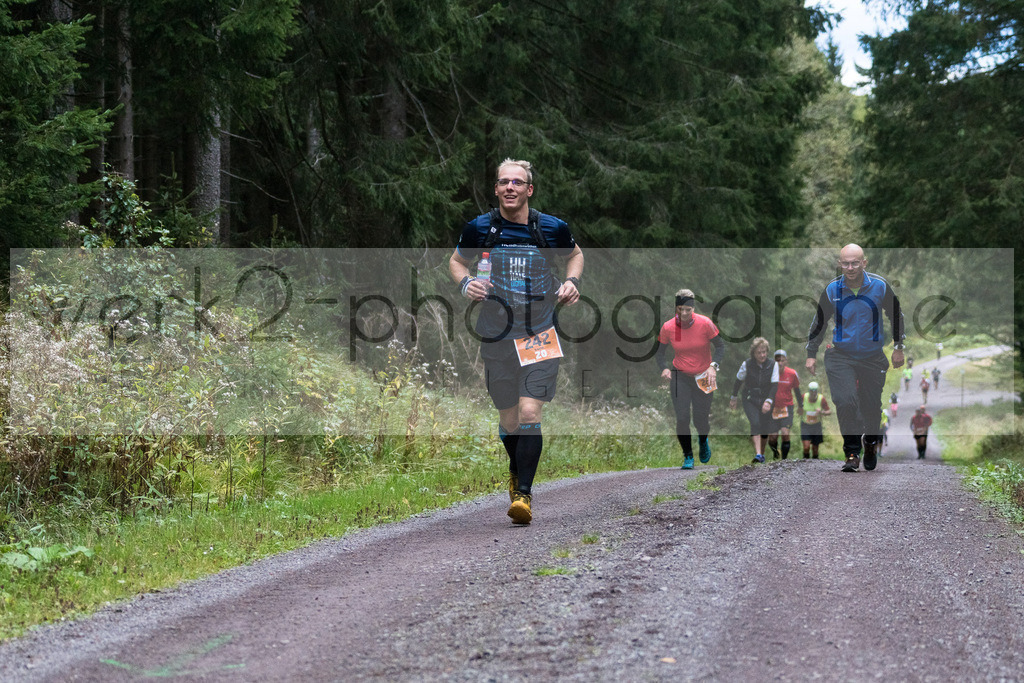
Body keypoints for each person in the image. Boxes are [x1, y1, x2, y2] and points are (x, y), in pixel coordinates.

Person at [449, 158, 583, 525]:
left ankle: (523, 494)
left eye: (517, 182)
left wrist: (572, 282)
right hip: (495, 335)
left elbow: (575, 255)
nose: (510, 187)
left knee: (529, 413)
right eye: (503, 182)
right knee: (509, 420)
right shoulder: (480, 228)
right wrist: (465, 283)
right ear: (496, 189)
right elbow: (457, 262)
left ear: (529, 189)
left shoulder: (551, 228)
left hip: (540, 331)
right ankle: (516, 470)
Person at [806, 244, 905, 473]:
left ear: (864, 263)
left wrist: (898, 347)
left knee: (871, 408)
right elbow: (819, 322)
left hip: (872, 356)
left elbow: (895, 314)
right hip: (841, 355)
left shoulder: (879, 286)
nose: (850, 267)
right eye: (846, 263)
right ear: (840, 264)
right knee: (845, 401)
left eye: (855, 262)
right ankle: (852, 453)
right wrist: (811, 353)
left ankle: (870, 442)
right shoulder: (832, 289)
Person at [656, 289, 725, 470]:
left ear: (693, 308)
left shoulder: (706, 324)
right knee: (682, 417)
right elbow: (659, 353)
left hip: (704, 375)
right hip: (680, 376)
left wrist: (713, 366)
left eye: (688, 309)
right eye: (680, 309)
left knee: (700, 419)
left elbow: (720, 346)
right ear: (676, 308)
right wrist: (664, 368)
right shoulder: (668, 327)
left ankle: (703, 440)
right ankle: (687, 455)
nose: (684, 313)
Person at [729, 337, 779, 464]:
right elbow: (738, 381)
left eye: (764, 352)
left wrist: (769, 401)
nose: (762, 355)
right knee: (755, 423)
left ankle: (761, 454)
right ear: (753, 353)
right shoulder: (747, 364)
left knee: (764, 426)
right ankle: (758, 453)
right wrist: (733, 397)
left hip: (766, 398)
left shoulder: (773, 365)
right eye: (759, 353)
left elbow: (774, 385)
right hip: (750, 398)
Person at [767, 349, 801, 459]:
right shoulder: (769, 373)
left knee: (785, 433)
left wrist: (801, 406)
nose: (780, 363)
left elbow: (797, 390)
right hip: (773, 408)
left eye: (782, 360)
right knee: (772, 437)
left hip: (787, 407)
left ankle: (784, 460)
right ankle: (775, 453)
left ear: (786, 361)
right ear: (774, 361)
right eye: (777, 361)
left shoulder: (792, 373)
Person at [798, 380, 831, 459]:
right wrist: (799, 410)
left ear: (817, 391)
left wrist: (821, 412)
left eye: (815, 391)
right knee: (806, 447)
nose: (813, 393)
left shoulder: (821, 398)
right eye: (811, 391)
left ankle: (815, 466)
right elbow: (799, 410)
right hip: (805, 425)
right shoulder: (803, 397)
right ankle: (805, 462)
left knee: (815, 449)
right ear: (809, 391)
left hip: (816, 426)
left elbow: (829, 411)